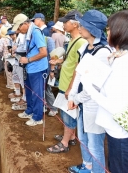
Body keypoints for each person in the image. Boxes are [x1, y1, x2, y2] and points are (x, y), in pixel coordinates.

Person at [80, 10, 128, 173]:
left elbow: (116, 106)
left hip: (123, 136)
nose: (107, 32)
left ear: (123, 32)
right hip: (118, 131)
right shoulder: (122, 58)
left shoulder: (127, 64)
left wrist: (88, 85)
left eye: (110, 28)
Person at [67, 10, 112, 173]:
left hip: (94, 105)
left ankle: (97, 170)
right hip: (82, 103)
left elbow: (94, 87)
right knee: (84, 138)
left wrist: (77, 98)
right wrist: (72, 95)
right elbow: (80, 72)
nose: (79, 28)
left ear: (92, 29)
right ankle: (87, 166)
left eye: (83, 25)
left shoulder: (103, 52)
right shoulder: (86, 47)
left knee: (94, 143)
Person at [47, 10, 87, 153]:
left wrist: (71, 88)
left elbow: (78, 66)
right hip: (65, 83)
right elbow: (70, 60)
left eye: (66, 22)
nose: (63, 24)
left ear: (75, 24)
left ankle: (64, 143)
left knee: (68, 114)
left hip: (70, 86)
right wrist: (58, 61)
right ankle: (71, 136)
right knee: (66, 112)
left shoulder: (81, 42)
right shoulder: (72, 40)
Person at [12, 14, 48, 126]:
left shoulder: (36, 32)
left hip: (38, 69)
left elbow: (44, 52)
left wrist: (28, 59)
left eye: (19, 27)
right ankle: (30, 110)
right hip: (30, 68)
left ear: (25, 24)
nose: (18, 30)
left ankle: (37, 118)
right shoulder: (29, 32)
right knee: (28, 91)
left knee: (37, 94)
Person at [31, 13, 58, 117]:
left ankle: (53, 108)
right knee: (42, 88)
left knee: (46, 88)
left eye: (34, 20)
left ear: (39, 20)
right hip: (40, 66)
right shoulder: (39, 31)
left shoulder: (46, 33)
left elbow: (53, 55)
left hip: (46, 67)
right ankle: (45, 105)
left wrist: (52, 70)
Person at [10, 31, 28, 111]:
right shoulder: (16, 40)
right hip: (15, 62)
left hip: (21, 64)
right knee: (16, 78)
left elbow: (24, 51)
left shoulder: (23, 38)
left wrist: (16, 50)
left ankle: (24, 99)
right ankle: (18, 93)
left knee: (22, 82)